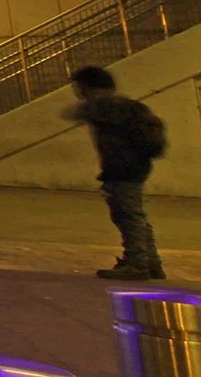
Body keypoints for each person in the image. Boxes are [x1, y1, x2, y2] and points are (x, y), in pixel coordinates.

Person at [65, 66, 167, 280]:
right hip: (138, 166)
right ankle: (151, 262)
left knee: (127, 216)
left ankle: (137, 262)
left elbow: (74, 113)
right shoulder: (130, 106)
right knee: (136, 215)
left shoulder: (103, 106)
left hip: (120, 168)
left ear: (85, 87)